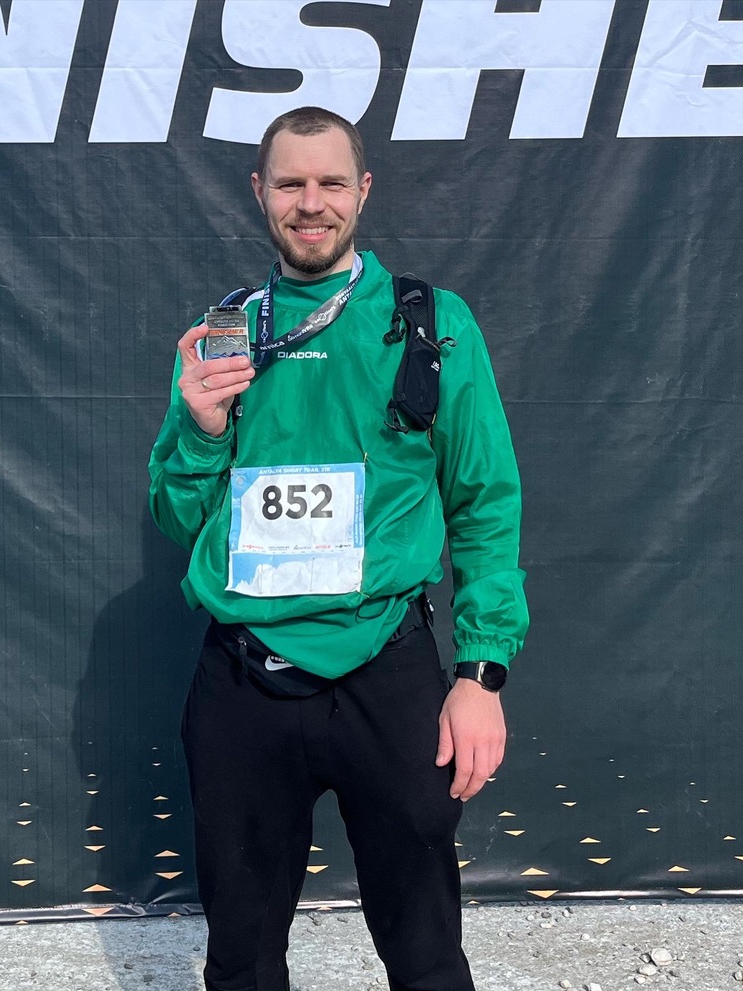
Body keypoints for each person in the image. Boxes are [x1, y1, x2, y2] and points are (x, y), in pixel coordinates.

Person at [148, 106, 528, 991]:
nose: (309, 202)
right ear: (260, 192)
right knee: (240, 955)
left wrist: (479, 677)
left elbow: (484, 504)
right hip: (243, 678)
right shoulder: (224, 333)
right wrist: (200, 430)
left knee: (426, 951)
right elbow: (176, 518)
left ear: (362, 190)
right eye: (290, 183)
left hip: (386, 672)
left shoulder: (430, 323)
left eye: (329, 182)